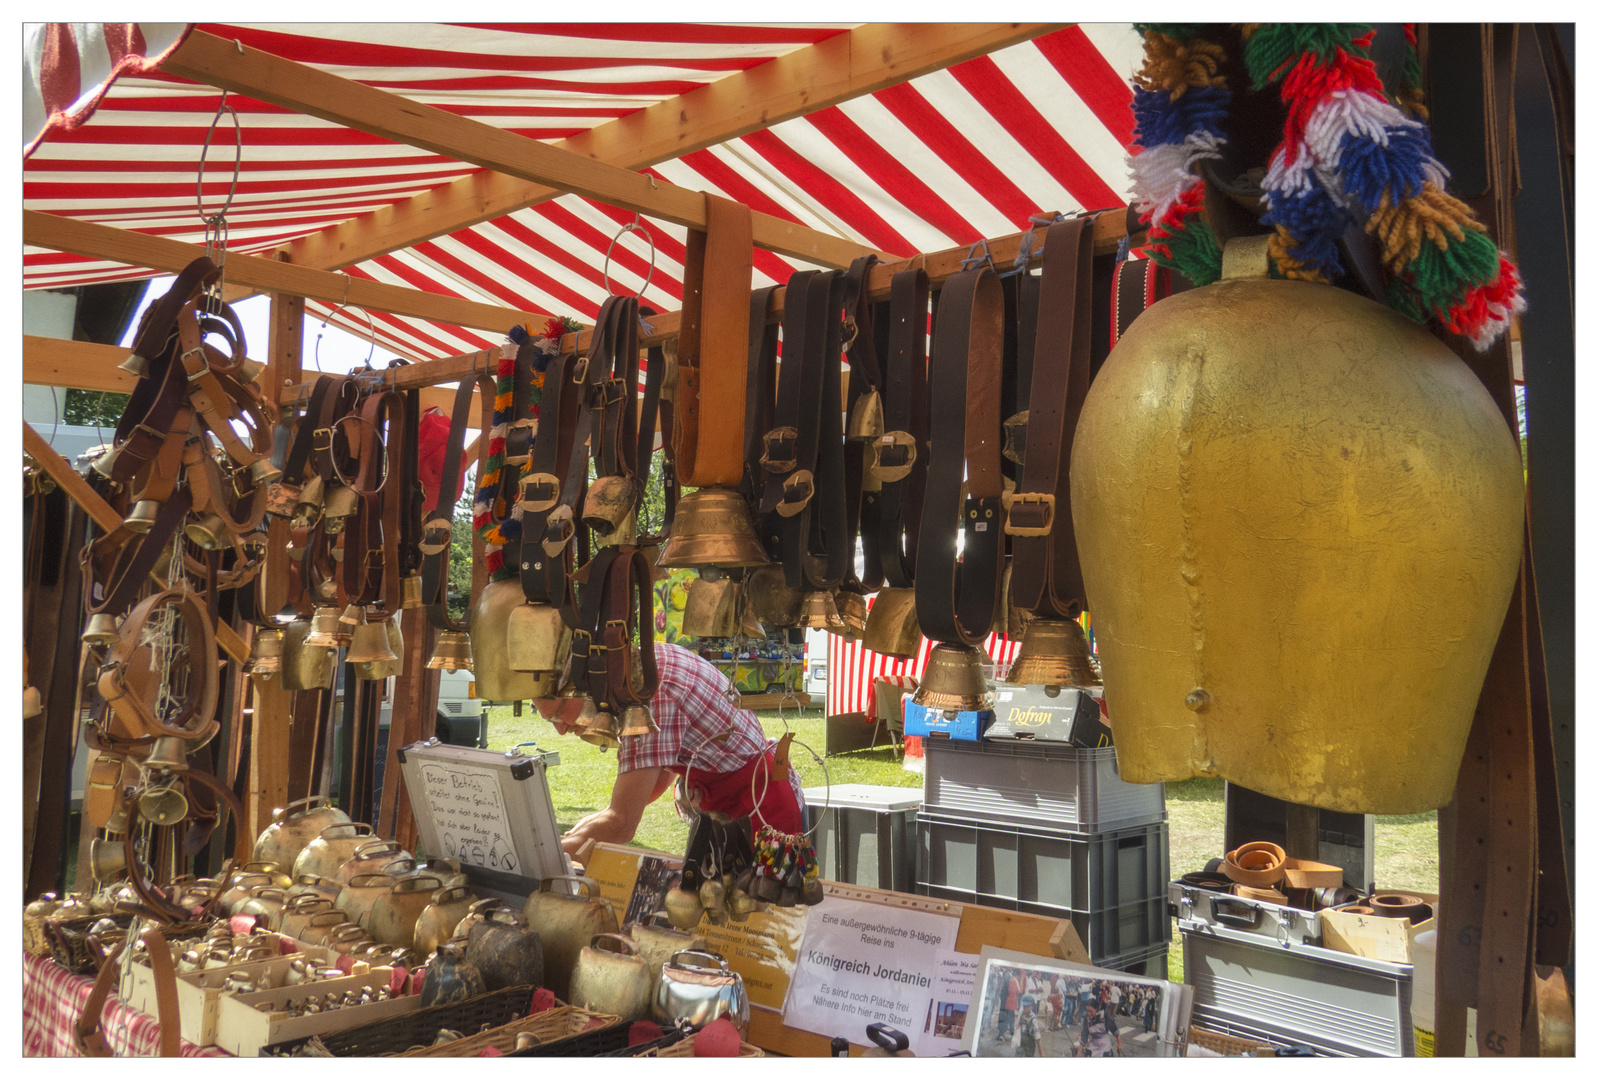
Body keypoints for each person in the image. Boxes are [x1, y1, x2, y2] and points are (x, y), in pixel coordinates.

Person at [545, 642, 806, 857]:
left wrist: (549, 854)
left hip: (761, 810)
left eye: (557, 715)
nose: (561, 730)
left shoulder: (646, 700)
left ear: (581, 685)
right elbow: (657, 779)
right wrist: (585, 829)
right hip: (730, 808)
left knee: (764, 916)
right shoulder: (636, 667)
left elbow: (622, 825)